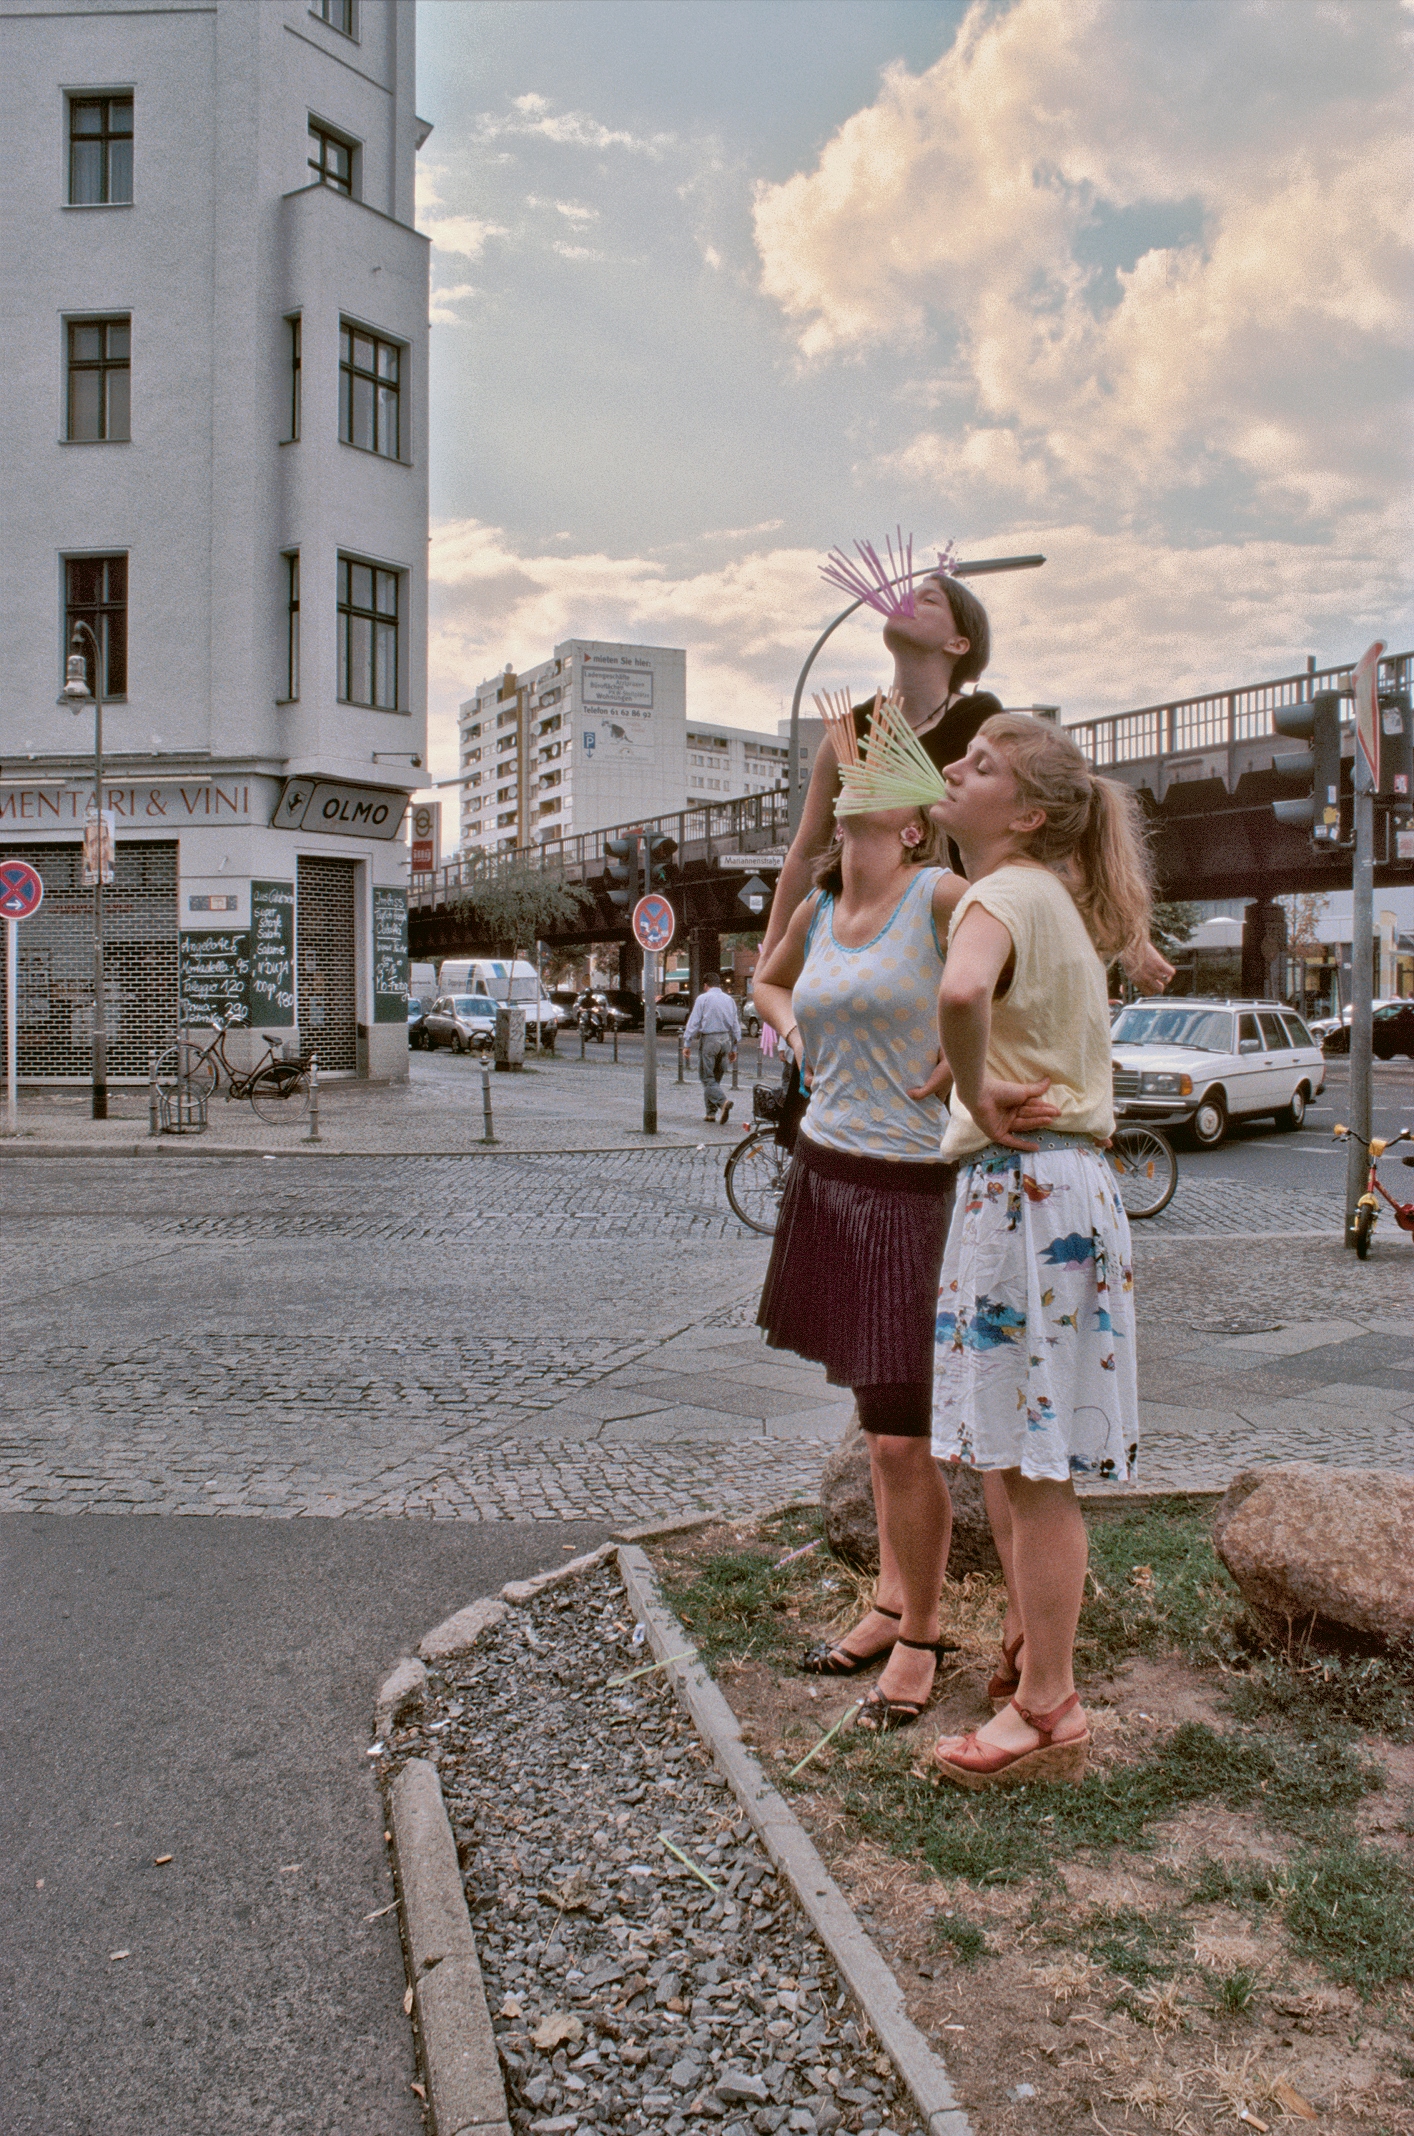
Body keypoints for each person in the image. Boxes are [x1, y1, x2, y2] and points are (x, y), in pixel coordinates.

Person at [751, 796, 1056, 1730]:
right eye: (838, 802)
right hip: (830, 1175)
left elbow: (1025, 977)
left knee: (900, 1435)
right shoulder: (818, 909)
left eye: (864, 802)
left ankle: (921, 1635)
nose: (844, 806)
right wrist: (802, 1037)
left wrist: (975, 1058)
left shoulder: (940, 896)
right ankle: (891, 1603)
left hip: (917, 1191)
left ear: (913, 827)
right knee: (874, 1412)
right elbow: (769, 982)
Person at [920, 714, 1151, 1788]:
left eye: (980, 766)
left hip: (1022, 1187)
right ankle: (1033, 1655)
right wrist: (967, 1063)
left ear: (1025, 814)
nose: (953, 771)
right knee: (1020, 1456)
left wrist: (968, 1084)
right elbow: (1001, 1012)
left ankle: (1048, 1706)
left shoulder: (999, 893)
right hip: (1065, 1186)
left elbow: (963, 990)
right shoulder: (1049, 901)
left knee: (1034, 1468)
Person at [758, 570, 1002, 965]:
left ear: (958, 643)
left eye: (928, 600)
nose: (907, 601)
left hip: (951, 933)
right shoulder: (849, 732)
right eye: (909, 594)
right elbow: (806, 852)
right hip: (859, 935)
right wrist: (771, 950)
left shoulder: (985, 724)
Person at [683, 974, 741, 1123]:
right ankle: (710, 1113)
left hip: (709, 1040)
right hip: (726, 1039)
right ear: (719, 985)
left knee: (707, 1077)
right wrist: (734, 1047)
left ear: (705, 985)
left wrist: (687, 1043)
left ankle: (722, 1102)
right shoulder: (729, 1000)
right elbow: (735, 1025)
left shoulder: (703, 999)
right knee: (715, 1079)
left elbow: (694, 1022)